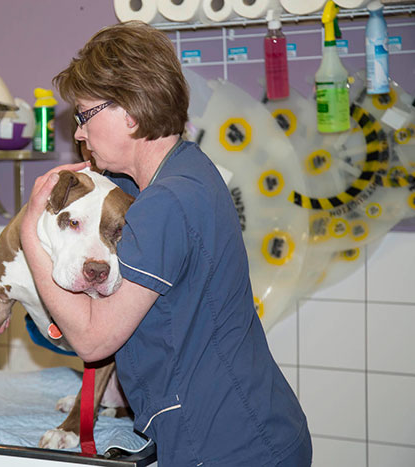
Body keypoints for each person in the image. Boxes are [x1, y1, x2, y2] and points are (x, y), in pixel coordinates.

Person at [17, 21, 312, 466]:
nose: (78, 133)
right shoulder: (182, 170)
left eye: (84, 115)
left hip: (235, 446)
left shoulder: (166, 202)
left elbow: (95, 340)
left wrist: (27, 234)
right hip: (252, 428)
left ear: (130, 112)